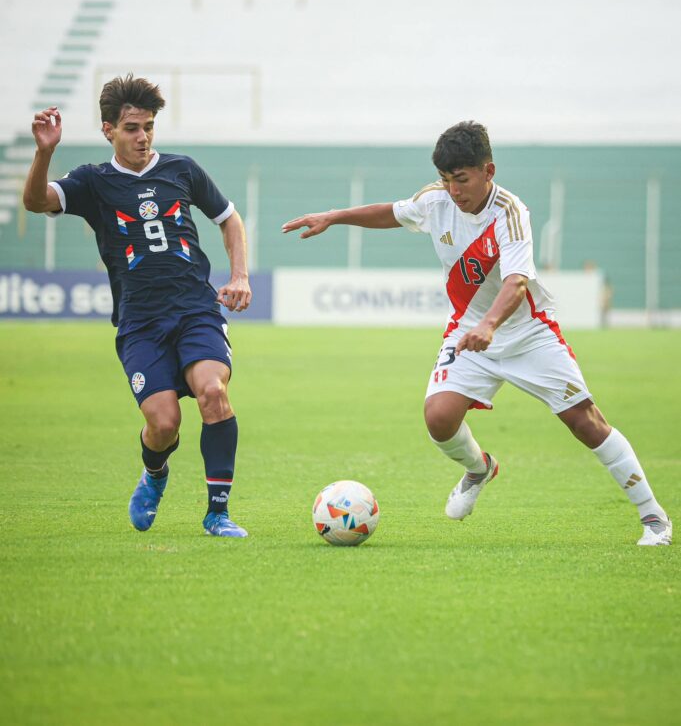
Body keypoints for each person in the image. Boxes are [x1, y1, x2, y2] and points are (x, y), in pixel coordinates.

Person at [282, 121, 671, 546]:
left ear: (489, 170)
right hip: (469, 333)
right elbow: (391, 213)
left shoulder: (510, 212)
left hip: (527, 333)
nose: (454, 190)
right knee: (439, 418)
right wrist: (334, 217)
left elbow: (517, 281)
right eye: (447, 180)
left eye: (462, 179)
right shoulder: (435, 200)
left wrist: (491, 325)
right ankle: (479, 468)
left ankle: (654, 518)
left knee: (585, 421)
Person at [24, 75, 252, 538]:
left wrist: (240, 276)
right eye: (131, 127)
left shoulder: (182, 169)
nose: (143, 136)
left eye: (148, 125)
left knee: (213, 392)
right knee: (163, 423)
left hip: (195, 310)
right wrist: (45, 151)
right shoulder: (92, 181)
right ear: (108, 130)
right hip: (140, 324)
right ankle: (155, 473)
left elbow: (229, 219)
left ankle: (218, 513)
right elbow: (35, 201)